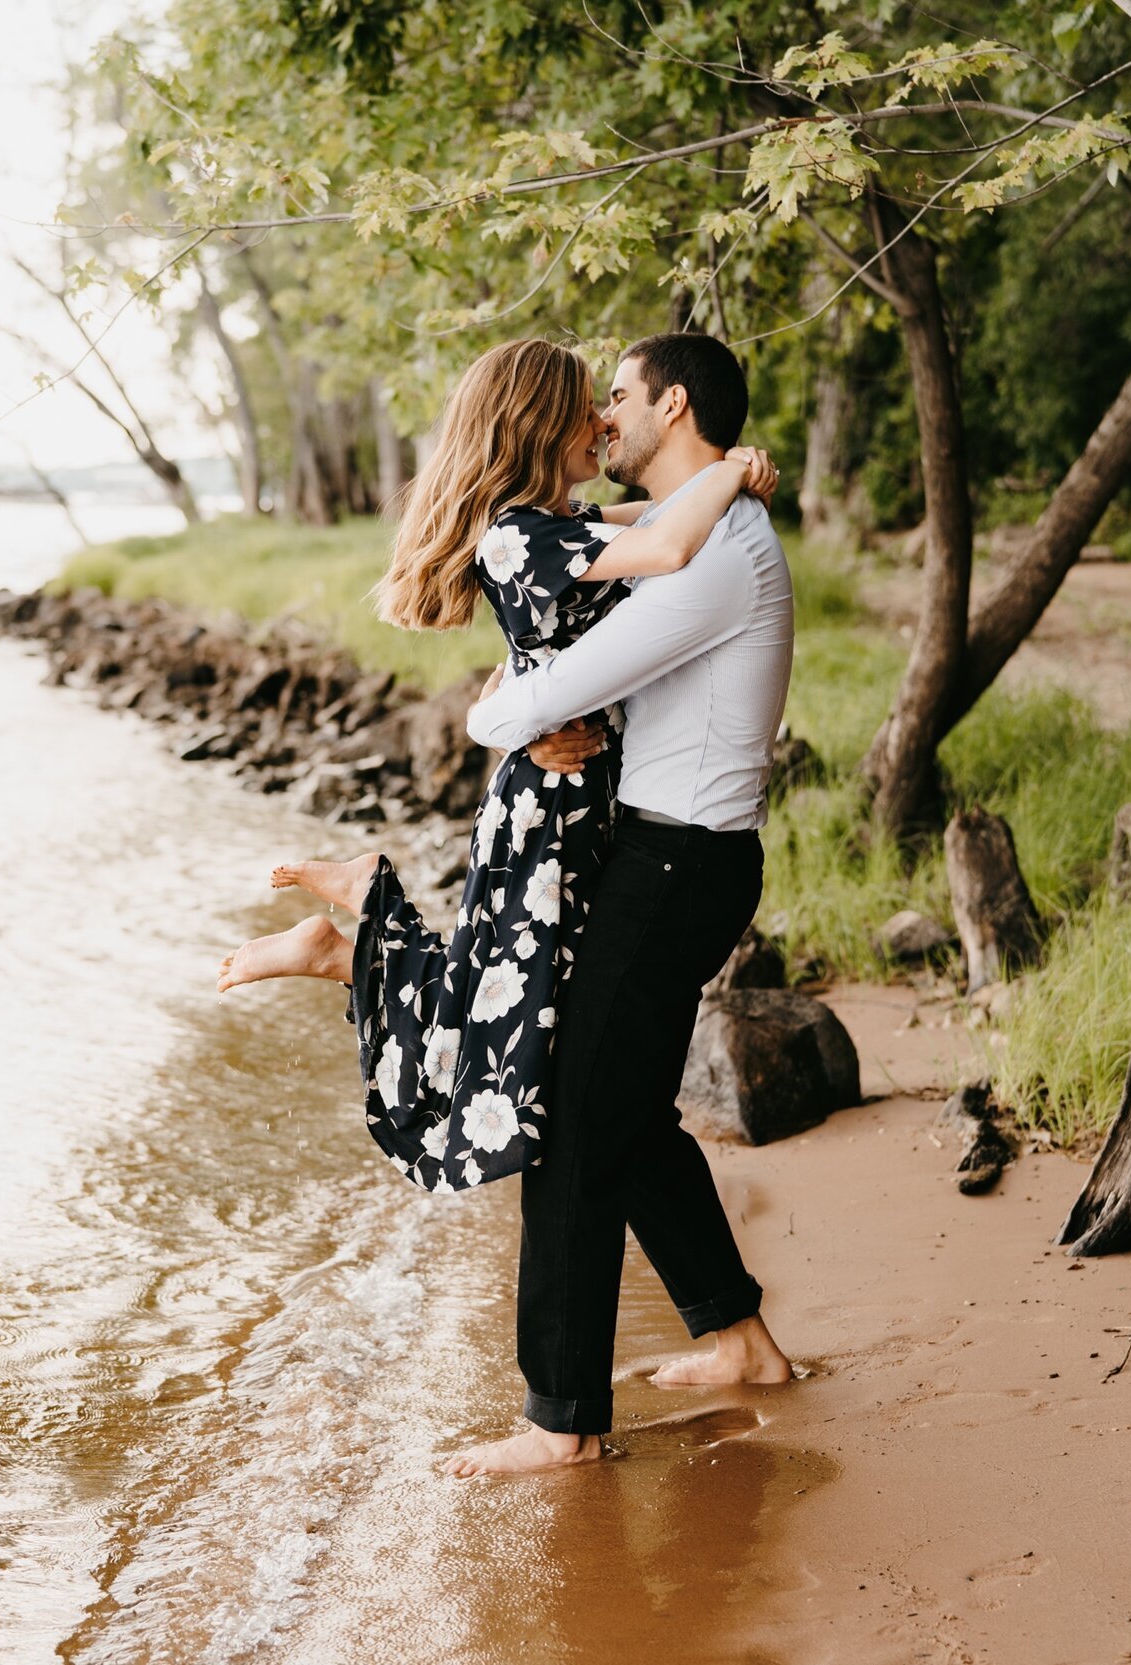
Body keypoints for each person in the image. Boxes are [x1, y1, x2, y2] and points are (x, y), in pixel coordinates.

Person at [217, 338, 775, 1206]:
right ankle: (355, 938)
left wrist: (724, 474)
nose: (601, 418)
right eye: (589, 405)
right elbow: (665, 551)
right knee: (508, 1003)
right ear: (542, 425)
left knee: (512, 993)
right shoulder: (517, 537)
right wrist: (732, 474)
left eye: (612, 398)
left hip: (586, 791)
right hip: (549, 802)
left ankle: (356, 935)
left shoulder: (557, 528)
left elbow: (646, 530)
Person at [443, 331, 798, 1476]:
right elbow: (545, 670)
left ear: (671, 405)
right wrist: (510, 705)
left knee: (571, 1129)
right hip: (669, 856)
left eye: (622, 396)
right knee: (629, 1113)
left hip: (673, 866)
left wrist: (498, 716)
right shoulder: (694, 534)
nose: (605, 415)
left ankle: (560, 1421)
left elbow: (541, 694)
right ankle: (737, 1338)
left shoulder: (711, 556)